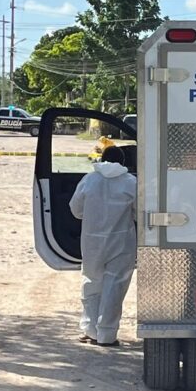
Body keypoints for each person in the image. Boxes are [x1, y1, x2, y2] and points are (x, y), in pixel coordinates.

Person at [68, 146, 137, 347]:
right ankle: (107, 335)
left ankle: (90, 330)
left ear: (102, 158)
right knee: (115, 286)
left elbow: (75, 209)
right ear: (122, 163)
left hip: (92, 241)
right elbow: (139, 212)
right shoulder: (130, 182)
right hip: (121, 241)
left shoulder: (89, 179)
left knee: (91, 282)